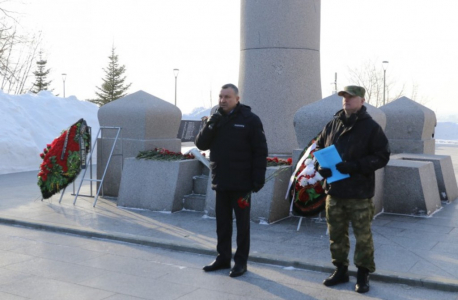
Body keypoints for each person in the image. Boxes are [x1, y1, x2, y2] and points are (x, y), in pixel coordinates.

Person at [314, 85, 390, 293]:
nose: (346, 100)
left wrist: (355, 166)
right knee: (336, 234)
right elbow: (318, 148)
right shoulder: (332, 125)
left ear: (362, 100)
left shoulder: (371, 127)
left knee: (362, 235)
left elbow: (382, 156)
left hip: (359, 192)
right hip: (335, 191)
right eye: (344, 97)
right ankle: (340, 270)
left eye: (351, 97)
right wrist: (320, 167)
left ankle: (363, 274)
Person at [195, 83, 268, 278]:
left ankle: (241, 262)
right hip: (222, 180)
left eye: (227, 97)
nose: (222, 100)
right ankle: (223, 258)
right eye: (220, 96)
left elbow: (260, 151)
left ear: (237, 99)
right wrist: (211, 123)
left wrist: (258, 178)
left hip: (242, 183)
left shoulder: (250, 120)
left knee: (242, 225)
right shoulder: (215, 119)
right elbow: (201, 143)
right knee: (222, 223)